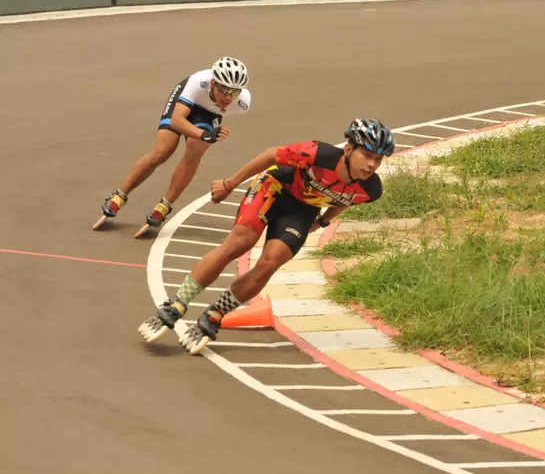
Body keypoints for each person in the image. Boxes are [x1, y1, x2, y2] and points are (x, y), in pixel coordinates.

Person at [138, 118, 396, 354]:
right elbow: (270, 155)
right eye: (367, 155)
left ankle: (215, 314)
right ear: (349, 150)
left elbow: (348, 199)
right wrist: (230, 184)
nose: (372, 164)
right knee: (239, 243)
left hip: (302, 210)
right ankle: (178, 304)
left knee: (271, 262)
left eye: (379, 159)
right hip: (274, 187)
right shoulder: (319, 154)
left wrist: (324, 220)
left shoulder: (371, 189)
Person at [92, 56, 252, 237]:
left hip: (208, 114)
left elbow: (204, 131)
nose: (227, 97)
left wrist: (205, 136)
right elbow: (177, 120)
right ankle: (119, 195)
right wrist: (205, 134)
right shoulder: (197, 82)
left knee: (196, 149)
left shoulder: (242, 103)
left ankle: (164, 206)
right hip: (186, 105)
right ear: (213, 83)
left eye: (234, 92)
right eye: (223, 90)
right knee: (163, 150)